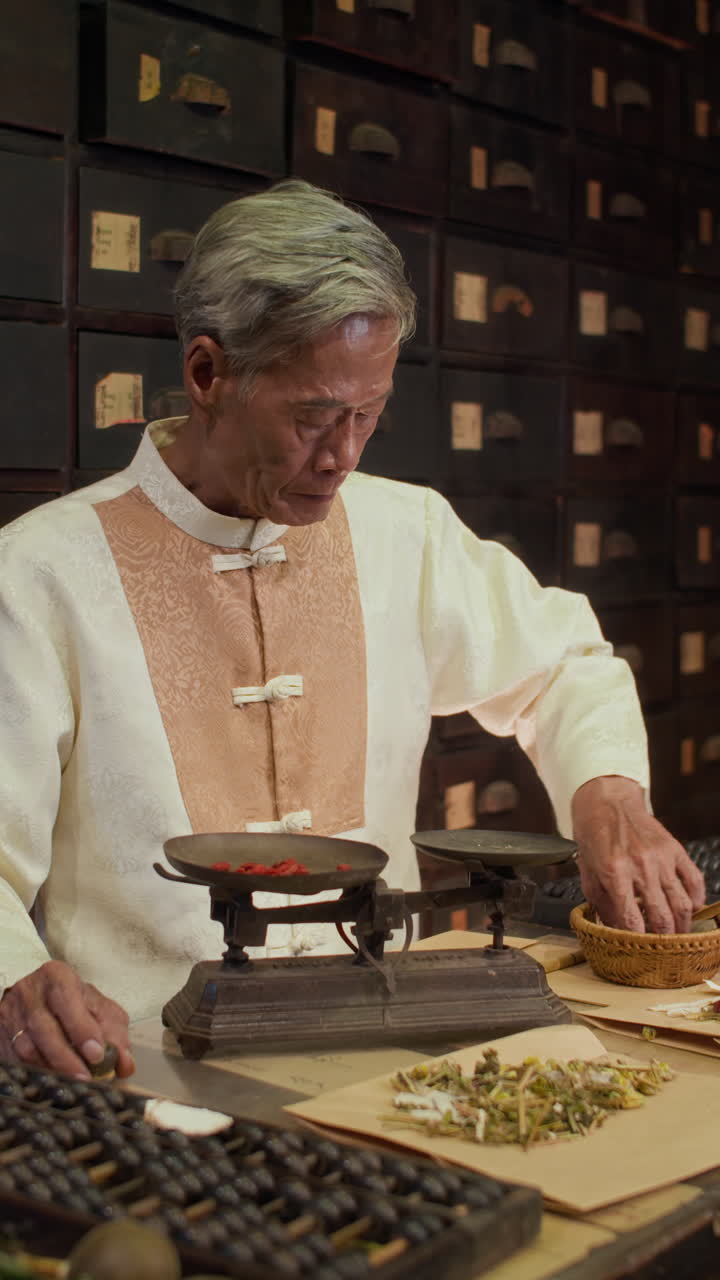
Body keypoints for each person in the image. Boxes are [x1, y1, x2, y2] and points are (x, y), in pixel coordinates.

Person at [0, 180, 704, 1079]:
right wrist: (15, 980)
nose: (343, 457)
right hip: (147, 1068)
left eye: (368, 415)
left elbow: (563, 663)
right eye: (312, 419)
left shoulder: (402, 532)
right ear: (208, 374)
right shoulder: (41, 574)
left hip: (387, 1055)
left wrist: (610, 797)